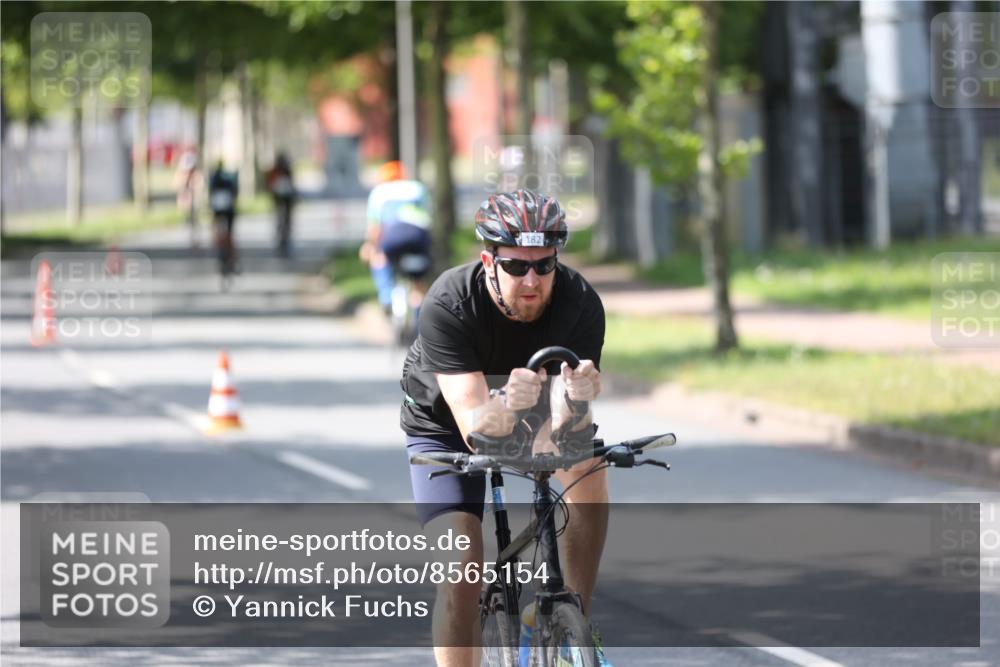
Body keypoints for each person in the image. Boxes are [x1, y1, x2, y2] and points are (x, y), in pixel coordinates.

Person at [400, 189, 610, 667]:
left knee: (588, 466)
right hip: (447, 423)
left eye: (544, 265)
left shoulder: (579, 303)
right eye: (517, 266)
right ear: (488, 261)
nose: (532, 280)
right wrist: (505, 402)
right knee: (460, 570)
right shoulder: (449, 303)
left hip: (525, 405)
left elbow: (566, 432)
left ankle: (572, 626)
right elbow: (476, 427)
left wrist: (578, 400)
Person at [360, 160, 433, 315]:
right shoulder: (417, 188)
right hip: (419, 234)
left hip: (393, 235)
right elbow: (428, 215)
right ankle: (419, 312)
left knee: (379, 257)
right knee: (418, 282)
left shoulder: (379, 192)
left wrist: (370, 245)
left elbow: (375, 228)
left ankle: (386, 296)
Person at [208, 161, 239, 272]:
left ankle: (219, 247)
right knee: (230, 234)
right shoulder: (229, 179)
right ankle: (233, 259)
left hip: (219, 209)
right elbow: (235, 193)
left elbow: (210, 195)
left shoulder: (214, 180)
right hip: (228, 209)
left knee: (217, 228)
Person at [266, 151, 296, 257]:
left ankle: (283, 233)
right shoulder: (280, 170)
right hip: (281, 199)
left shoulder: (280, 170)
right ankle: (283, 233)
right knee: (284, 218)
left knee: (284, 218)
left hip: (282, 199)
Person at [173, 151, 202, 250]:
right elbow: (177, 187)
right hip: (186, 201)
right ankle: (190, 238)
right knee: (188, 220)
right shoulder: (181, 175)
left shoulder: (196, 175)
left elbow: (200, 186)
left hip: (194, 201)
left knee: (194, 221)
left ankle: (194, 239)